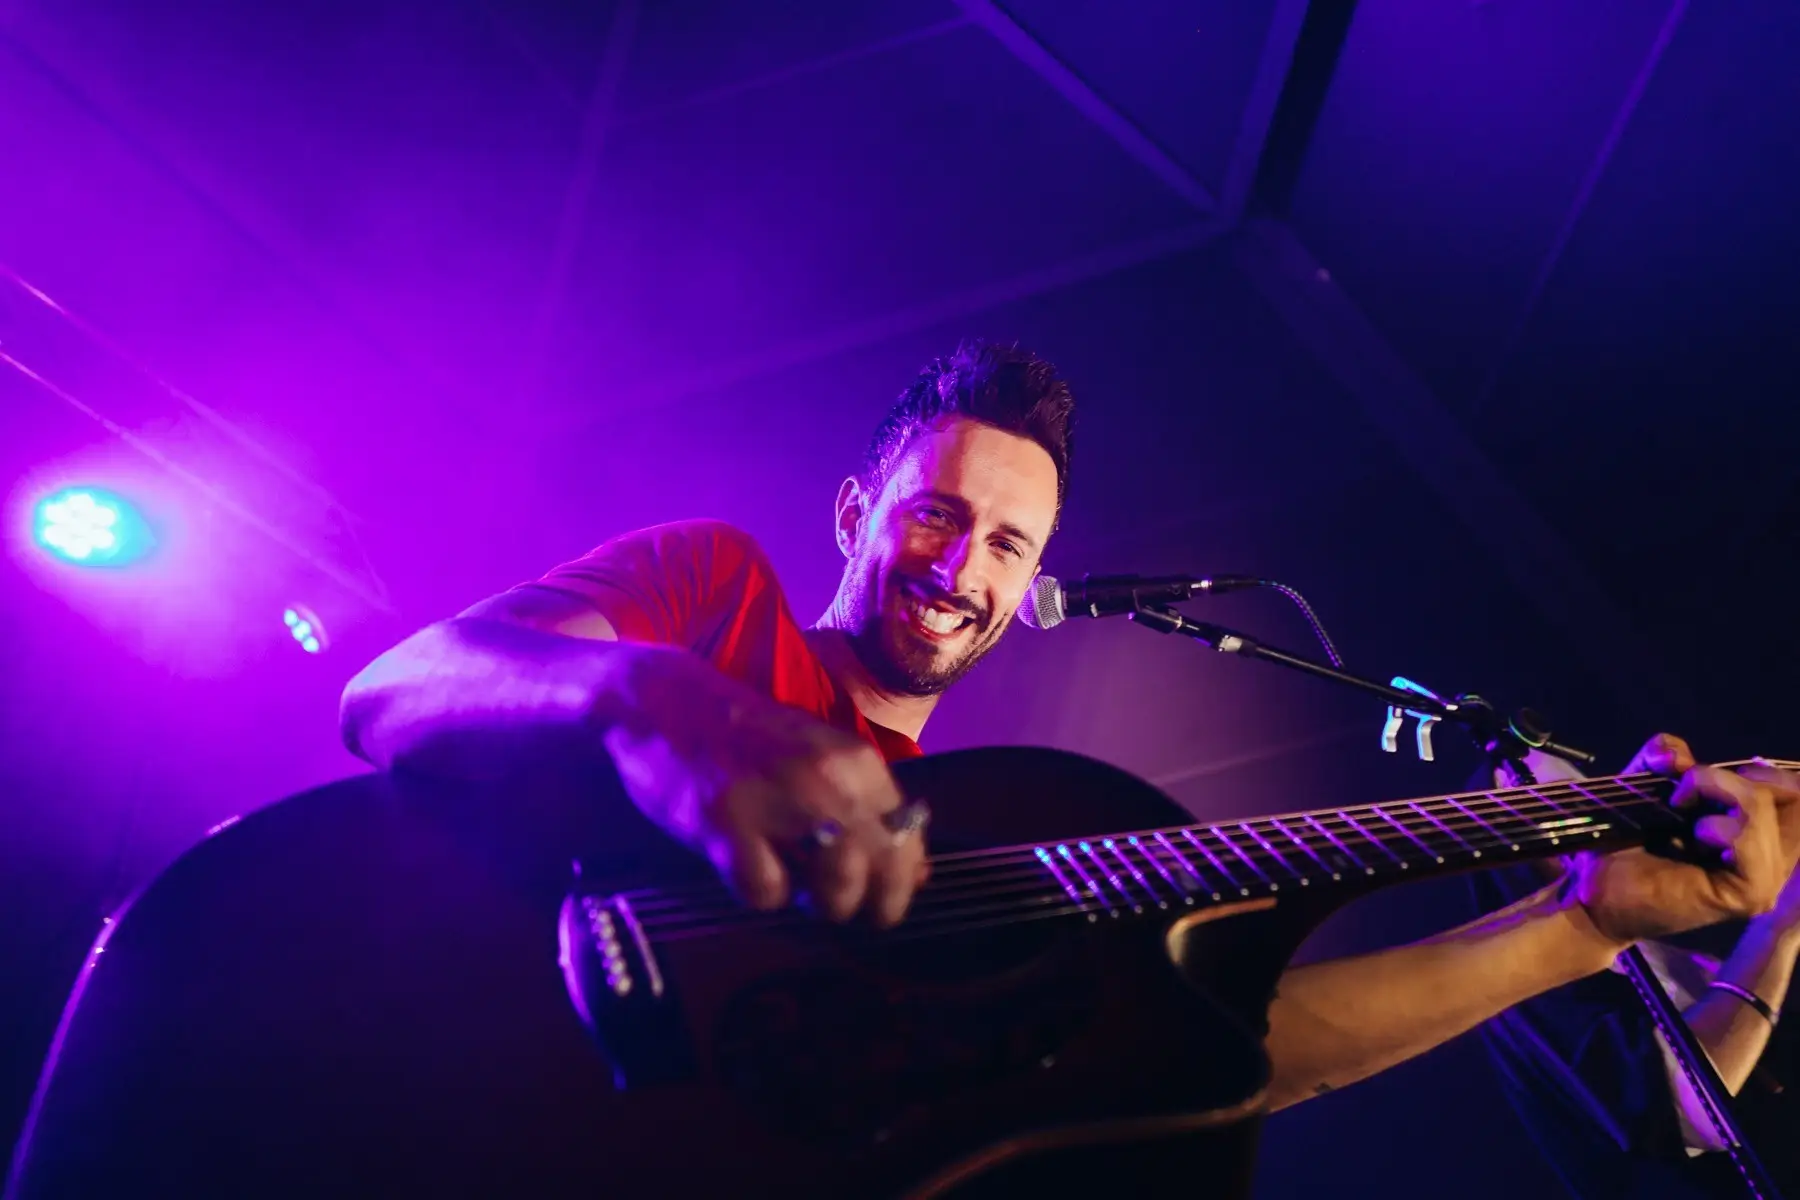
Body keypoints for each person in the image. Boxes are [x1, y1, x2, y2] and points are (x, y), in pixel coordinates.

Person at [342, 337, 1800, 1117]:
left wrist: (1580, 925)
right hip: (417, 1047)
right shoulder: (709, 588)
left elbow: (1233, 1063)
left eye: (1007, 546)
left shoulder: (976, 828)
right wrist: (657, 699)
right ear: (854, 513)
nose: (959, 570)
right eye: (935, 515)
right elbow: (391, 691)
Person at [1474, 742, 1800, 1199]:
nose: (1593, 823)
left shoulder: (1654, 930)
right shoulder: (1522, 986)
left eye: (1590, 798)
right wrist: (1780, 925)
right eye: (1561, 811)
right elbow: (1690, 1111)